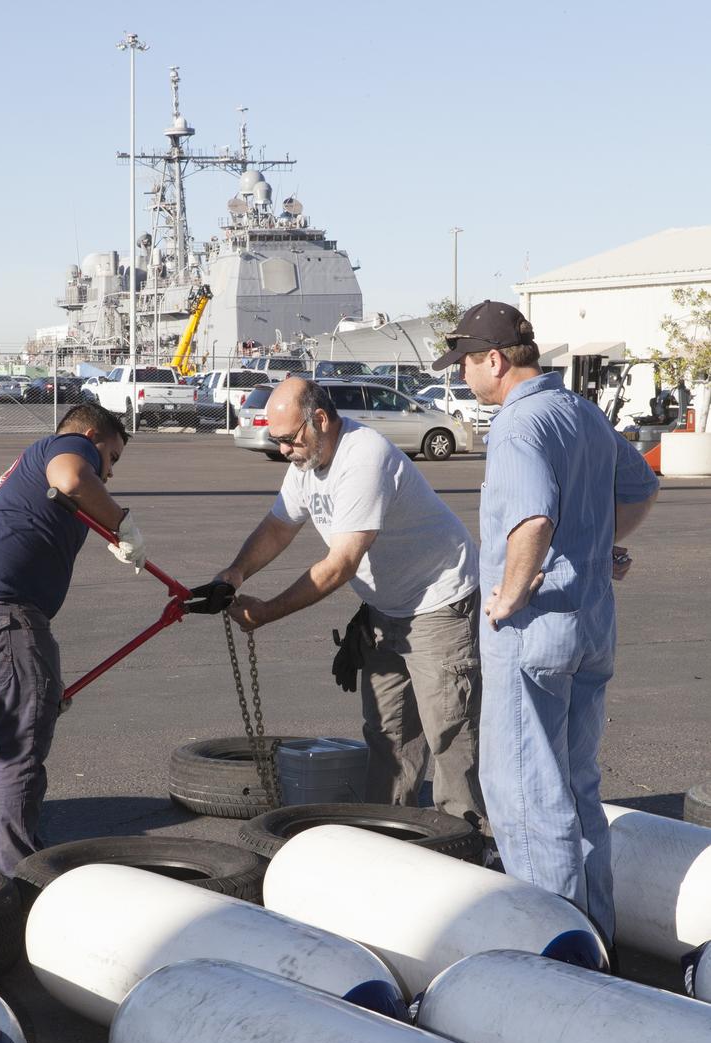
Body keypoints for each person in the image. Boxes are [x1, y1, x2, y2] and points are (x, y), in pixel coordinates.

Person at [433, 300, 659, 944]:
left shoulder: (518, 425)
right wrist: (599, 546)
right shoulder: (582, 412)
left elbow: (531, 520)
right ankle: (599, 937)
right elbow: (641, 487)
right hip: (590, 625)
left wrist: (507, 595)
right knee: (576, 787)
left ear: (495, 360)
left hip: (535, 630)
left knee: (528, 799)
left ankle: (560, 962)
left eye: (466, 365)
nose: (462, 378)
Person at [217, 376, 485, 828]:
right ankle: (388, 834)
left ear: (319, 419)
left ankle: (472, 843)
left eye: (288, 440)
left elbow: (339, 565)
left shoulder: (363, 458)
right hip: (386, 610)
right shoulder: (307, 459)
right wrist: (235, 572)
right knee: (389, 734)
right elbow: (279, 526)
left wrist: (265, 613)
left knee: (450, 735)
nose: (283, 450)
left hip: (439, 603)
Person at [0, 402, 146, 876]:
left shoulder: (23, 468)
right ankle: (17, 876)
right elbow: (73, 476)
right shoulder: (69, 445)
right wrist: (121, 521)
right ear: (93, 436)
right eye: (111, 457)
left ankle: (1, 860)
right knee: (17, 746)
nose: (107, 473)